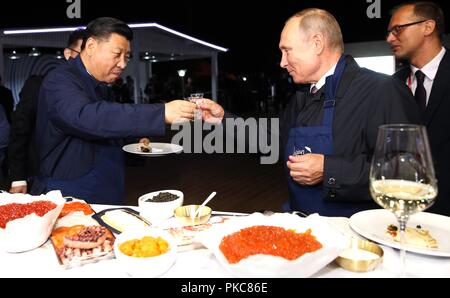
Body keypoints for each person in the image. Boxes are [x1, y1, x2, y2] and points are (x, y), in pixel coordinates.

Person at [199, 8, 422, 217]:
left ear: (317, 43)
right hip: (305, 229)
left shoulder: (381, 91)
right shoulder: (303, 97)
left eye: (287, 51)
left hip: (356, 239)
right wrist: (222, 120)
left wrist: (329, 170)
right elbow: (272, 139)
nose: (282, 62)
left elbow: (406, 172)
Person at [34, 17, 196, 204]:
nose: (123, 64)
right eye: (117, 54)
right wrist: (161, 113)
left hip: (108, 185)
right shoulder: (60, 79)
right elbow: (86, 117)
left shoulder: (102, 85)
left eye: (126, 57)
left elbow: (110, 125)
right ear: (92, 46)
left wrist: (135, 140)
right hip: (72, 189)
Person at [387, 2, 450, 216]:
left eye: (398, 29)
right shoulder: (393, 85)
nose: (390, 38)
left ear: (428, 27)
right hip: (404, 212)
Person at [8, 29, 85, 195]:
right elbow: (20, 131)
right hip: (42, 177)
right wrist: (18, 177)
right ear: (68, 54)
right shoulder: (38, 85)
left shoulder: (97, 90)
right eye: (83, 53)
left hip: (81, 180)